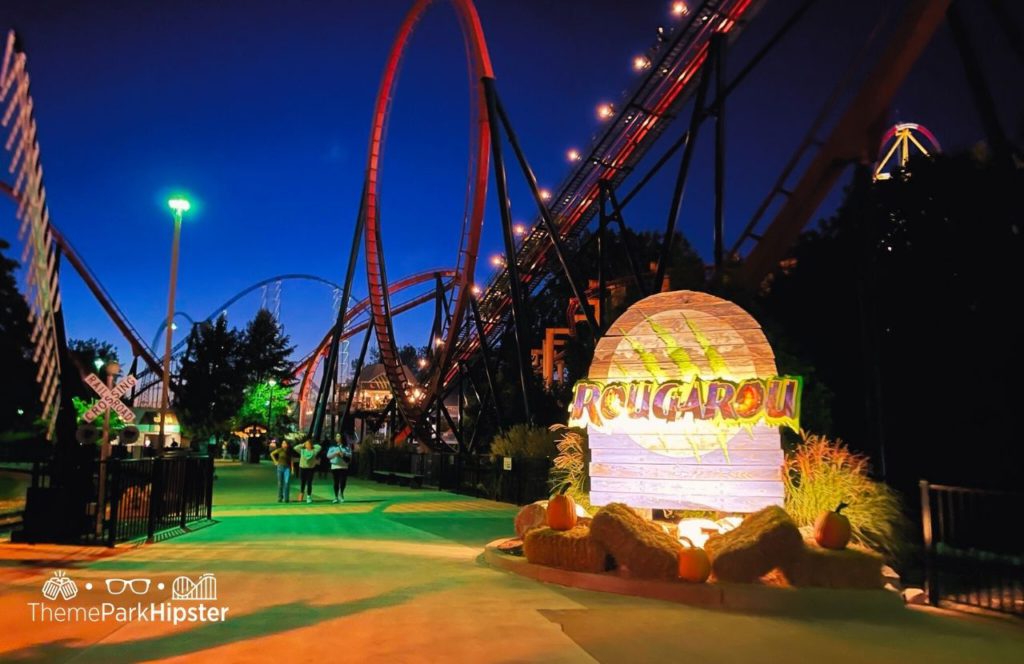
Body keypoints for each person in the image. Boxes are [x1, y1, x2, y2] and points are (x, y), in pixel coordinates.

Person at [326, 435, 352, 504]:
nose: (338, 437)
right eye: (337, 436)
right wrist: (335, 453)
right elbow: (328, 455)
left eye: (339, 436)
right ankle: (336, 497)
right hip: (335, 466)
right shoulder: (332, 447)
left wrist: (343, 453)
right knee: (336, 482)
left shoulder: (346, 447)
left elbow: (350, 454)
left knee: (343, 482)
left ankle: (341, 493)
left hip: (344, 466)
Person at [295, 439, 322, 504]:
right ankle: (301, 494)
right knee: (302, 482)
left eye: (309, 444)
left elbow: (319, 447)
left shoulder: (314, 451)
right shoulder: (302, 451)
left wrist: (312, 445)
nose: (307, 445)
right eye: (306, 444)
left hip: (310, 469)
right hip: (302, 468)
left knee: (309, 483)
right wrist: (303, 444)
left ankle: (308, 496)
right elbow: (295, 448)